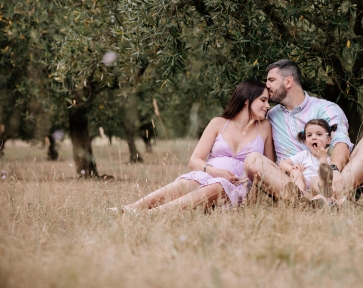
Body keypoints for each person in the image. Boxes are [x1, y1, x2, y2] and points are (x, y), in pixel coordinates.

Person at [110, 80, 274, 213]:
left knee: (217, 186)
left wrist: (254, 198)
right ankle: (131, 208)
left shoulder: (265, 127)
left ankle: (150, 215)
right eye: (263, 100)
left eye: (268, 101)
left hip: (237, 188)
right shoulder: (218, 123)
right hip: (209, 175)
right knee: (188, 182)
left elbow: (269, 169)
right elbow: (195, 160)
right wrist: (215, 171)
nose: (267, 106)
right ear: (247, 100)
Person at [244, 59, 363, 205]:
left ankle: (332, 194)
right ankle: (305, 201)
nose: (267, 85)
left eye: (271, 80)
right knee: (252, 159)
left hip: (329, 178)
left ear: (288, 82)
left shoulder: (326, 108)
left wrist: (333, 171)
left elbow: (340, 142)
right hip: (291, 181)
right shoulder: (270, 115)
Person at [278, 119, 337, 200]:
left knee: (315, 180)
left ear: (328, 139)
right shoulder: (304, 155)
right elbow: (282, 163)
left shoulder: (330, 160)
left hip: (317, 188)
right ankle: (298, 197)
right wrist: (292, 168)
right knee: (296, 173)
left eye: (319, 134)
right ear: (305, 142)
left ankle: (324, 193)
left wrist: (322, 158)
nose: (313, 137)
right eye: (309, 135)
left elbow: (330, 178)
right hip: (304, 186)